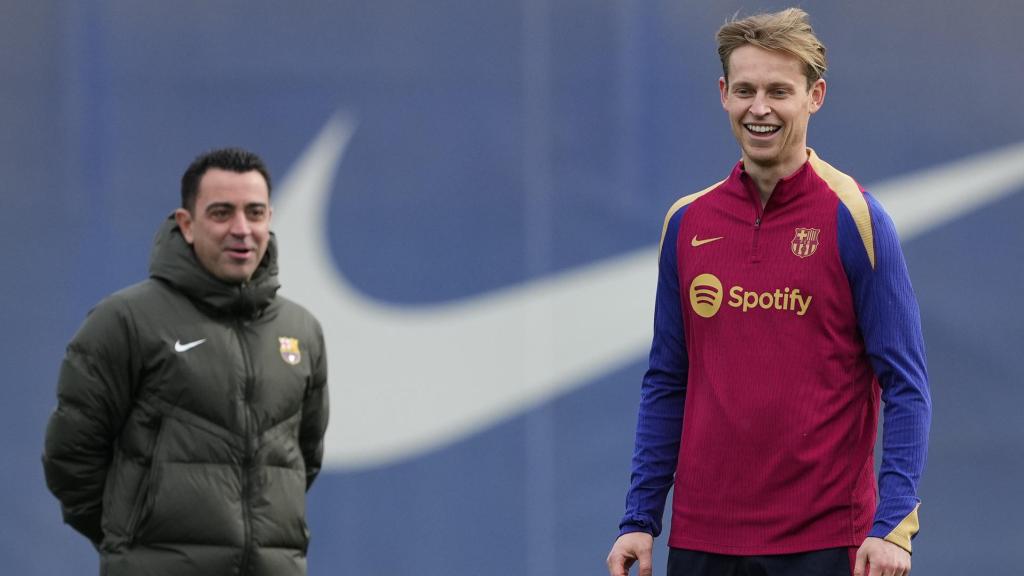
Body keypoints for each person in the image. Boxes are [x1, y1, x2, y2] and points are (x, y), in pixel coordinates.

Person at [606, 8, 930, 576]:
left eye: (780, 91)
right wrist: (639, 517)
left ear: (815, 96)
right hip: (703, 541)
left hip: (827, 542)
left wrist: (893, 526)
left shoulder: (855, 218)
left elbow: (905, 384)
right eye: (746, 89)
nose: (761, 108)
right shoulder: (686, 222)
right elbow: (667, 380)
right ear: (724, 94)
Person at [43, 148, 330, 576]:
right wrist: (133, 540)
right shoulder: (126, 320)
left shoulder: (301, 330)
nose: (241, 230)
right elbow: (71, 458)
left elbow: (302, 458)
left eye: (254, 213)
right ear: (187, 224)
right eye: (221, 213)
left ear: (270, 218)